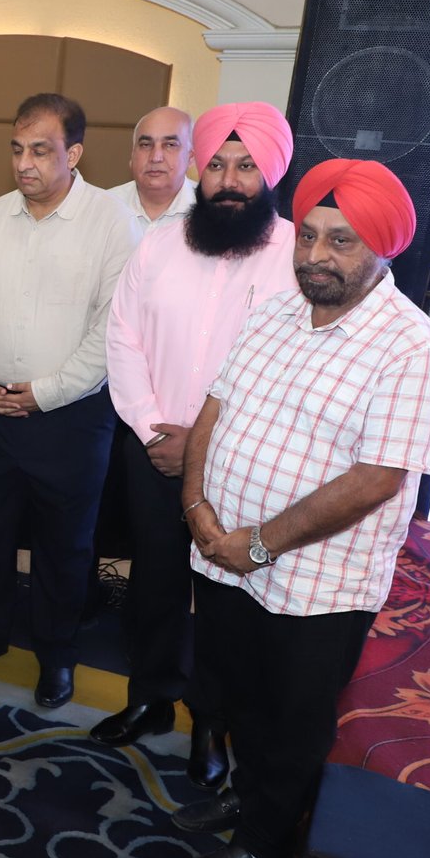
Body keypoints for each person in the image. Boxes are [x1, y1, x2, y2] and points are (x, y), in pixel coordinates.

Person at [173, 159, 430, 858]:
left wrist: (259, 543)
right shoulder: (273, 313)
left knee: (290, 717)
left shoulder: (412, 347)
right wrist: (197, 507)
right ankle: (247, 795)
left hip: (315, 583)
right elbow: (214, 408)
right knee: (236, 691)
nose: (316, 256)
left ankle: (264, 844)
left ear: (383, 248)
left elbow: (377, 478)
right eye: (308, 236)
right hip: (224, 553)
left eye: (341, 241)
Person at [99, 102, 297, 785]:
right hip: (154, 448)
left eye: (245, 166)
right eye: (216, 165)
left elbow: (294, 369)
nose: (229, 180)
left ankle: (211, 724)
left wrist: (205, 447)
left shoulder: (295, 256)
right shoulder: (160, 246)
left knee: (225, 600)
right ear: (199, 171)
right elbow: (122, 336)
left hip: (243, 462)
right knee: (154, 581)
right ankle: (151, 697)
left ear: (270, 173)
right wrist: (151, 425)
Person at [0, 93, 142, 707]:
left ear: (74, 153)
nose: (23, 163)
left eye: (40, 150)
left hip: (71, 419)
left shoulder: (112, 223)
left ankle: (57, 654)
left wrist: (44, 394)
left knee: (65, 547)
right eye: (16, 149)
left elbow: (112, 330)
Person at [106, 107, 196, 231]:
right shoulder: (104, 206)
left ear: (190, 158)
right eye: (146, 145)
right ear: (132, 154)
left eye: (170, 145)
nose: (155, 157)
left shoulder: (212, 211)